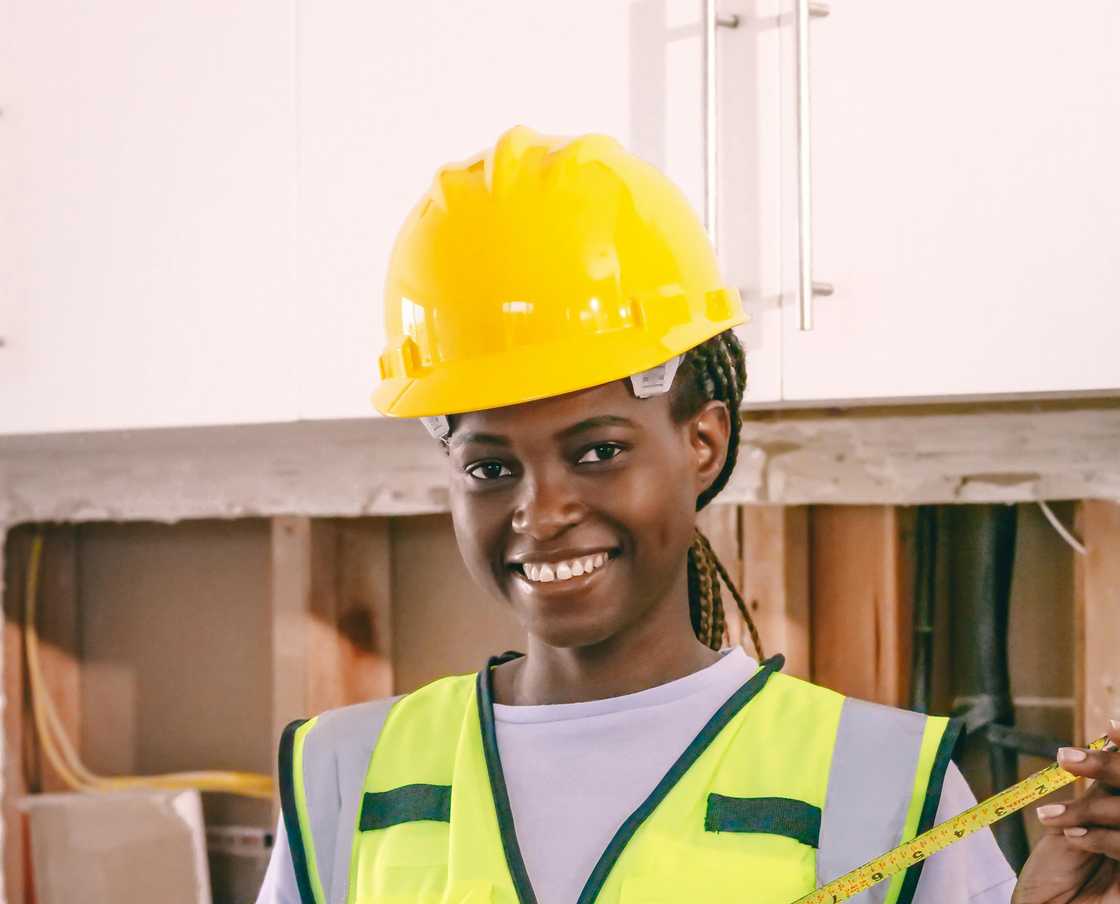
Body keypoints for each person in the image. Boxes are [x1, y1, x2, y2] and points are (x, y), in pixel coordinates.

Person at [256, 127, 1120, 904]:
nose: (542, 510)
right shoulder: (342, 779)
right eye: (490, 466)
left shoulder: (886, 790)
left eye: (597, 451)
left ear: (702, 443)